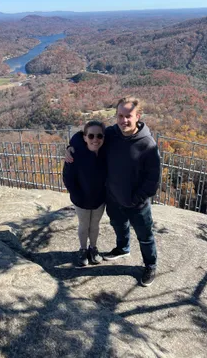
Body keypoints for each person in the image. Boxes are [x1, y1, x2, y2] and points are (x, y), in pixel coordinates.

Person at [66, 97, 160, 286]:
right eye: (120, 116)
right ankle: (123, 248)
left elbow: (153, 180)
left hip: (137, 202)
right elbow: (84, 134)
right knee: (119, 225)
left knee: (145, 236)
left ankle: (150, 265)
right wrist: (70, 146)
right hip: (113, 198)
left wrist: (136, 199)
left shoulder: (148, 145)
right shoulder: (111, 134)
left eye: (128, 116)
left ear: (138, 116)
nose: (124, 120)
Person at [63, 120, 107, 267]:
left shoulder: (106, 153)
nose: (95, 139)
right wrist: (77, 195)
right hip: (81, 200)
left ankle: (93, 248)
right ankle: (83, 249)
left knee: (95, 225)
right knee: (83, 225)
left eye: (99, 136)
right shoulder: (76, 153)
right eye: (91, 136)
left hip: (99, 200)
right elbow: (68, 178)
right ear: (85, 137)